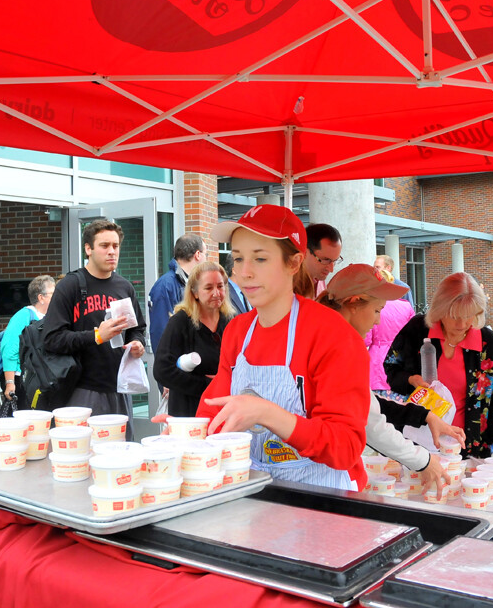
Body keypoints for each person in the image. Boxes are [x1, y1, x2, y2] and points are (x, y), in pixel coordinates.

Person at [161, 205, 369, 491]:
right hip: (255, 492)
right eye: (237, 258)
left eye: (259, 259)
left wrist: (266, 414)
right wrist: (187, 433)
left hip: (324, 498)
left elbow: (344, 446)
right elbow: (215, 412)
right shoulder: (237, 331)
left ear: (294, 263)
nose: (244, 273)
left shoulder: (332, 333)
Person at [318, 264, 450, 495]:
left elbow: (368, 403)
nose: (378, 322)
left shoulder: (325, 334)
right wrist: (423, 461)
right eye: (377, 310)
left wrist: (423, 415)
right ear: (354, 303)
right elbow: (370, 422)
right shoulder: (340, 347)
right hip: (320, 471)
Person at [384, 272, 493, 460]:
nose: (462, 324)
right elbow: (391, 367)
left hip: (470, 445)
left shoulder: (488, 342)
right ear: (440, 309)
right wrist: (410, 380)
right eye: (454, 316)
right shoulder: (417, 330)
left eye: (469, 316)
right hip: (419, 441)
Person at [43, 220, 146, 440]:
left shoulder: (124, 286)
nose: (111, 252)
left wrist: (138, 344)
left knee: (120, 455)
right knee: (87, 455)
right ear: (88, 249)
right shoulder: (69, 286)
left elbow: (137, 329)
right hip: (83, 390)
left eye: (116, 246)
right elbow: (52, 339)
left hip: (119, 389)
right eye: (104, 245)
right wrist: (97, 336)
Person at [153, 262, 234, 417]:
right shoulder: (180, 322)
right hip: (189, 414)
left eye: (220, 286)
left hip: (223, 411)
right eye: (209, 288)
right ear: (195, 292)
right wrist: (207, 385)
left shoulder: (231, 321)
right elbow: (162, 370)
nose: (216, 293)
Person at [0, 275, 55, 410]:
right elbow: (9, 351)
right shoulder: (22, 316)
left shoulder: (52, 316)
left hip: (43, 378)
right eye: (53, 294)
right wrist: (9, 383)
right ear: (41, 298)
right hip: (23, 380)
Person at [148, 234, 205, 350]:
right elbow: (161, 333)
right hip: (177, 364)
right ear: (198, 255)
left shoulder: (193, 283)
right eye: (206, 254)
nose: (206, 259)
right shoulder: (165, 286)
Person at [365, 268, 415, 400]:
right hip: (402, 360)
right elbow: (413, 335)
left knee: (381, 410)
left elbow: (367, 339)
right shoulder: (406, 306)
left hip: (378, 362)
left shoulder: (373, 307)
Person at [305, 223, 343, 296]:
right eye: (326, 260)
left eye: (335, 261)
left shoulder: (319, 278)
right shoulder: (286, 287)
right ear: (305, 252)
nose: (331, 269)